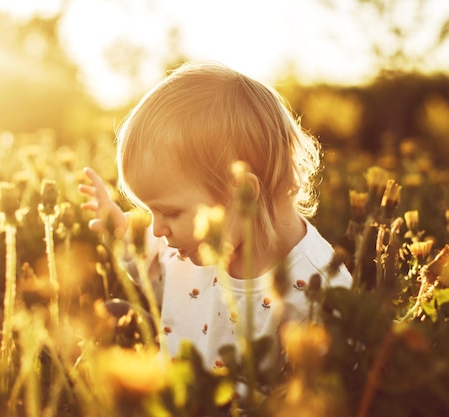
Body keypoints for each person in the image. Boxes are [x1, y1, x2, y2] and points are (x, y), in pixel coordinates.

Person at [78, 61, 352, 381]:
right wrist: (124, 231)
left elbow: (332, 390)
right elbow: (151, 264)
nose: (156, 229)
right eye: (150, 213)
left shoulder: (317, 290)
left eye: (171, 212)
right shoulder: (198, 245)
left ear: (242, 195)